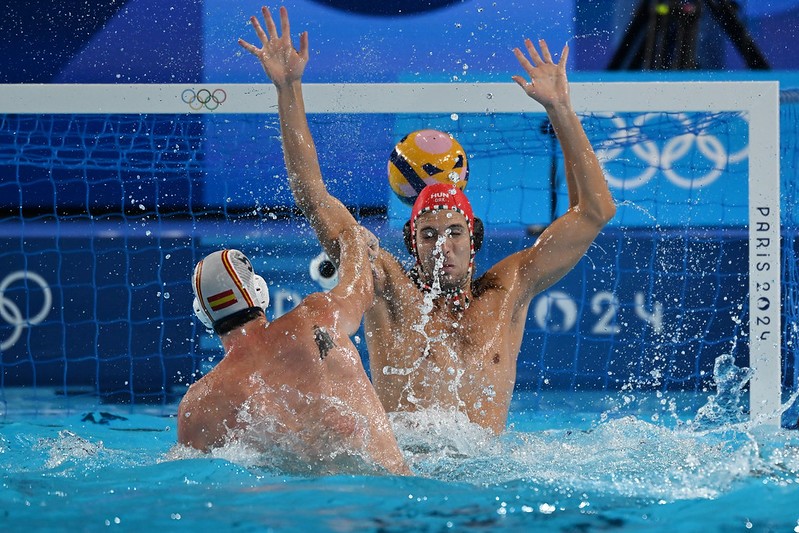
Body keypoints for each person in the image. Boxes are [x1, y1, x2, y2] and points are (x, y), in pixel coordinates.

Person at [238, 7, 616, 434]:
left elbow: (595, 211)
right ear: (410, 239)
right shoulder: (386, 288)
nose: (442, 245)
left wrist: (560, 107)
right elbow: (313, 197)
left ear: (473, 236)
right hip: (404, 480)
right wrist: (289, 87)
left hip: (486, 479)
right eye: (429, 234)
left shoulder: (508, 289)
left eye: (454, 232)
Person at [177, 225, 410, 476]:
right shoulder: (317, 316)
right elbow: (361, 289)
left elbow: (189, 475)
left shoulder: (198, 405)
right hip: (389, 490)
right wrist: (353, 238)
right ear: (260, 291)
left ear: (202, 315)